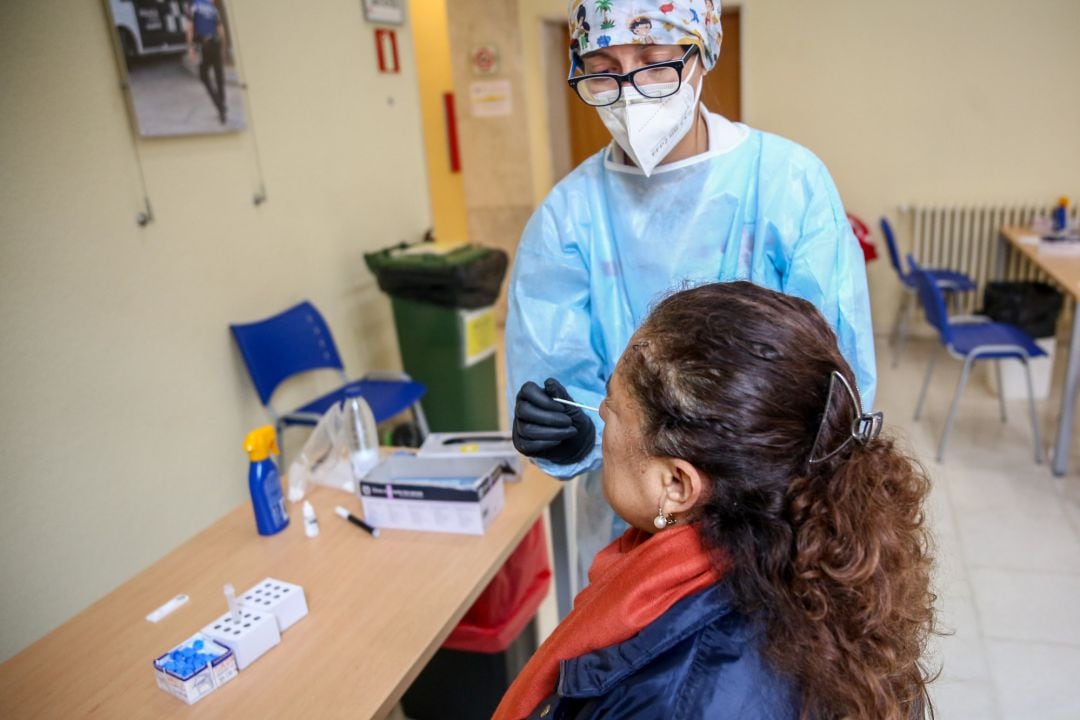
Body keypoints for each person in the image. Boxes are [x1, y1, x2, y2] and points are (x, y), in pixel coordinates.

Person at [507, 0, 877, 581]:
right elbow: (560, 380)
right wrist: (570, 434)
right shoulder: (569, 217)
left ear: (702, 54)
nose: (629, 92)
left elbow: (838, 381)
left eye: (655, 62)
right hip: (634, 525)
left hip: (775, 516)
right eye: (603, 67)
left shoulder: (786, 184)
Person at [495, 282, 935, 720]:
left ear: (676, 485)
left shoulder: (676, 698)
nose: (601, 412)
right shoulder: (820, 568)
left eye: (611, 407)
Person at [187, 0, 227, 124]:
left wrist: (191, 48)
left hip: (206, 45)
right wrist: (223, 48)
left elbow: (190, 28)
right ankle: (222, 108)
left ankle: (220, 106)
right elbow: (221, 29)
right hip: (216, 43)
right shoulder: (213, 9)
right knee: (219, 76)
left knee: (203, 75)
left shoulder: (193, 6)